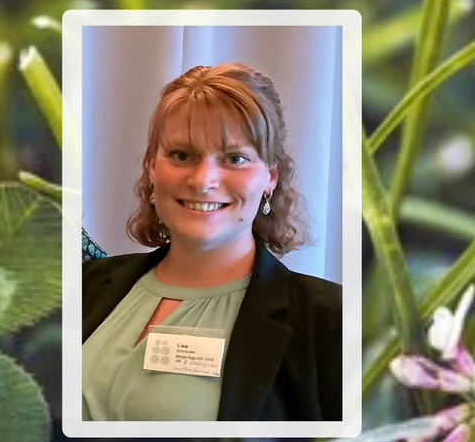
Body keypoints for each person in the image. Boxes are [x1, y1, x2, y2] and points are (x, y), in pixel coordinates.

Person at [82, 62, 341, 421]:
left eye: (235, 159)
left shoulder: (329, 321)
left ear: (270, 177)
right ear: (152, 167)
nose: (203, 180)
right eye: (182, 155)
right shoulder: (85, 283)